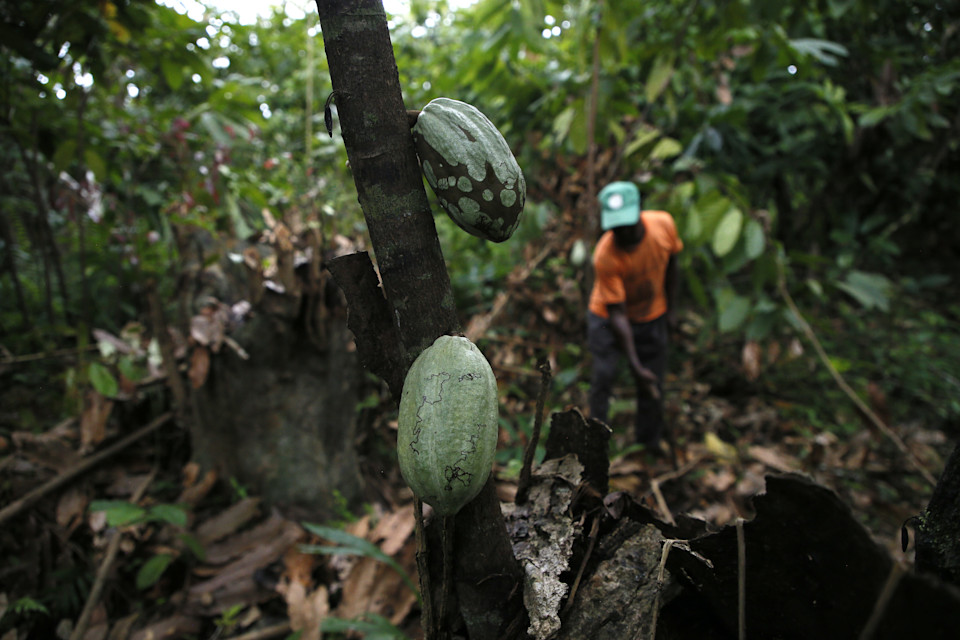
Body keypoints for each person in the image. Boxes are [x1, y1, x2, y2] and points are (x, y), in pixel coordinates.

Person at [587, 181, 683, 448]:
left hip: (652, 313)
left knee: (653, 381)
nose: (623, 232)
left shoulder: (663, 225)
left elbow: (674, 265)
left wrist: (672, 310)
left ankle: (648, 444)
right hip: (607, 317)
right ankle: (596, 442)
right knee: (604, 375)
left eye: (628, 224)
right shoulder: (606, 255)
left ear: (640, 211)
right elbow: (618, 315)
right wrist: (634, 365)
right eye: (616, 226)